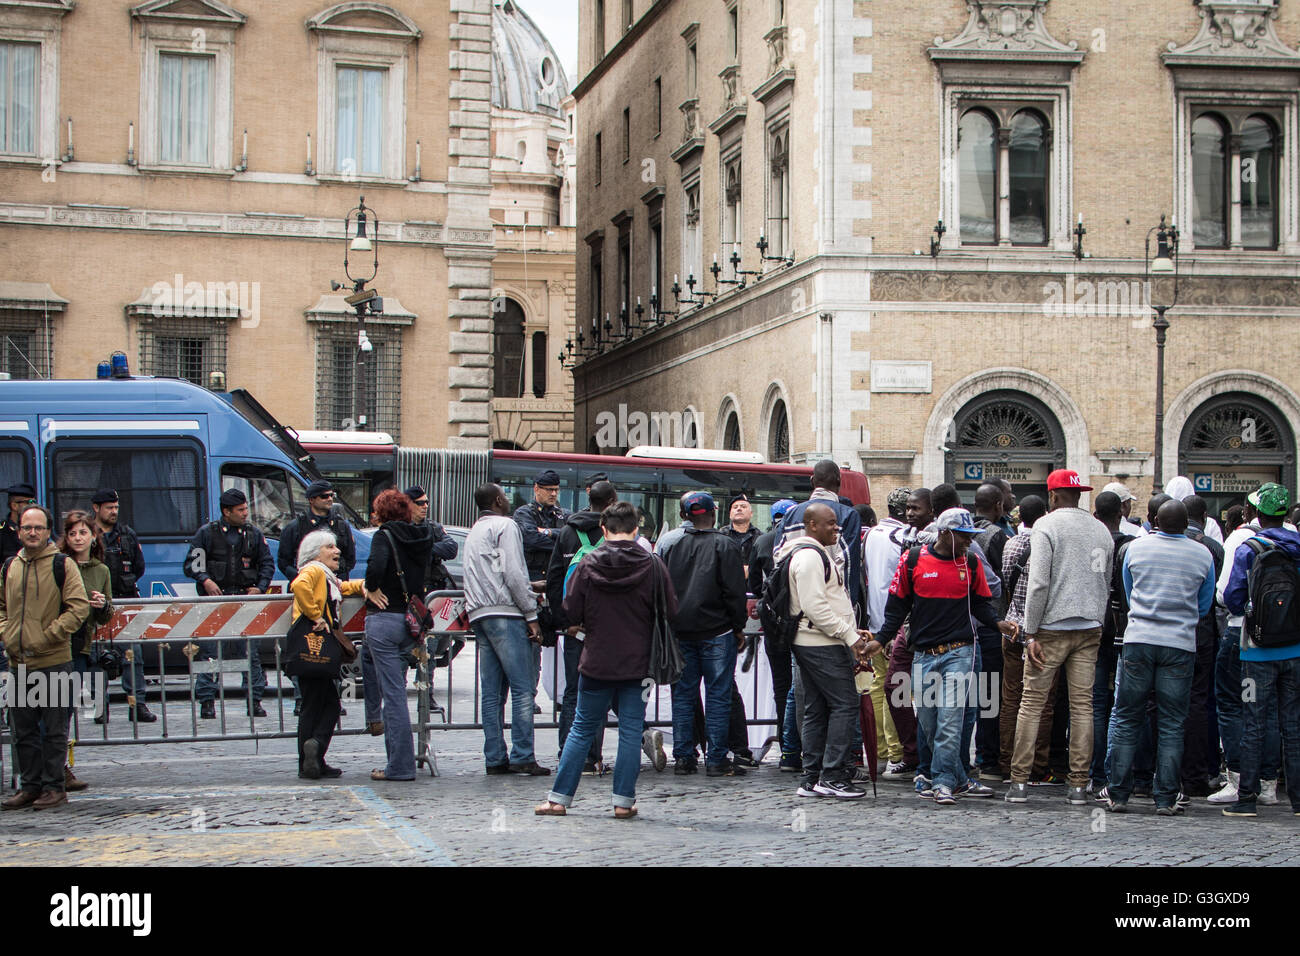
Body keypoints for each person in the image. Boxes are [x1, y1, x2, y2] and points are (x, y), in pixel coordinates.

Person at [535, 502, 678, 818]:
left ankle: (558, 799)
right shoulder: (653, 565)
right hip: (640, 663)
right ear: (636, 530)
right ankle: (623, 803)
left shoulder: (588, 564)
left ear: (603, 530)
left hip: (597, 659)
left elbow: (570, 609)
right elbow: (670, 609)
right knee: (630, 730)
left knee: (582, 727)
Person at [868, 508, 1016, 805]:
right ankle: (958, 777)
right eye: (963, 537)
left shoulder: (971, 563)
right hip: (924, 653)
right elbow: (897, 608)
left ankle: (942, 782)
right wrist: (881, 639)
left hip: (960, 651)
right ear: (945, 533)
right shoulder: (912, 561)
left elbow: (981, 605)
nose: (968, 542)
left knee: (950, 719)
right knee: (929, 721)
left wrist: (997, 623)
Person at [1005, 470, 1114, 805]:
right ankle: (1079, 786)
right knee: (1083, 707)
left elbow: (1038, 583)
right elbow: (1105, 582)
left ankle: (1019, 783)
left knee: (1031, 704)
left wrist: (1031, 631)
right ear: (1078, 494)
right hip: (1088, 626)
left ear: (1053, 496)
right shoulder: (1101, 529)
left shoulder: (1047, 527)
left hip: (1050, 627)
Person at [1105, 500, 1215, 814]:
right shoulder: (1202, 554)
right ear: (1189, 524)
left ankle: (1118, 794)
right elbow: (1204, 605)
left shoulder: (1134, 550)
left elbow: (1127, 593)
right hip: (1180, 644)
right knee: (1171, 723)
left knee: (1127, 717)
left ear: (1154, 520)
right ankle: (1166, 798)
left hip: (1139, 639)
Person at [781, 502, 873, 798]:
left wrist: (849, 628)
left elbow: (821, 605)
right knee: (845, 705)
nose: (837, 528)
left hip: (816, 641)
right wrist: (849, 634)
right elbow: (815, 607)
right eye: (830, 523)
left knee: (817, 708)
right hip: (821, 644)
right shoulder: (809, 557)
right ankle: (832, 776)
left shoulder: (811, 554)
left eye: (836, 523)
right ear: (812, 525)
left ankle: (813, 777)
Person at [0, 505, 89, 810]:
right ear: (20, 531)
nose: (33, 532)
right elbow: (1, 607)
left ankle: (54, 788)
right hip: (18, 662)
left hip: (54, 660)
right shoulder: (10, 566)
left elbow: (78, 608)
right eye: (27, 528)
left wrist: (47, 636)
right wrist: (7, 633)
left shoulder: (62, 565)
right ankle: (30, 787)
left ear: (47, 530)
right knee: (23, 732)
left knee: (53, 732)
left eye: (38, 527)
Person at [1221, 482, 1300, 818]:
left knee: (1253, 720)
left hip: (1255, 651)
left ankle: (1247, 800)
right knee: (1292, 723)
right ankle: (1297, 801)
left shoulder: (1248, 548)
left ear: (1255, 512)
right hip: (1295, 649)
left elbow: (1233, 598)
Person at [660, 492, 748, 776]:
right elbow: (734, 592)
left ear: (685, 516)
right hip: (717, 631)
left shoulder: (673, 546)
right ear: (714, 513)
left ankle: (685, 757)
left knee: (684, 695)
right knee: (718, 695)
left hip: (682, 631)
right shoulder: (725, 545)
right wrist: (738, 627)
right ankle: (716, 758)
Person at [465, 483, 547, 775]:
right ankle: (523, 754)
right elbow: (512, 571)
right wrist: (531, 614)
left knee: (492, 693)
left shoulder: (475, 530)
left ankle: (495, 756)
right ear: (499, 500)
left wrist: (526, 586)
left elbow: (495, 571)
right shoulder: (506, 526)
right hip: (506, 613)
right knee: (523, 688)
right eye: (506, 495)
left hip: (481, 613)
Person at [1211, 493, 1284, 805]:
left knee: (1232, 704)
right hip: (1286, 639)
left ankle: (1239, 779)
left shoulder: (1243, 540)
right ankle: (1270, 783)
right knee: (1271, 709)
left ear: (1252, 511)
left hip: (1245, 634)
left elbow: (1228, 595)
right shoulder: (1294, 539)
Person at [289, 528, 376, 780]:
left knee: (315, 704)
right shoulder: (314, 570)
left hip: (313, 648)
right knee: (323, 705)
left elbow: (343, 587)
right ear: (315, 552)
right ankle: (313, 749)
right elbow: (299, 586)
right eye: (330, 547)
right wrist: (316, 615)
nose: (337, 551)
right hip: (314, 646)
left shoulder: (325, 576)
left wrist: (365, 586)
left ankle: (311, 759)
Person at [546, 479, 619, 770]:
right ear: (612, 501)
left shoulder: (567, 531)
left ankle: (569, 754)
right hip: (605, 629)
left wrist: (565, 621)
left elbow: (554, 579)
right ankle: (592, 757)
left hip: (574, 629)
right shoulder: (613, 533)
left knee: (573, 692)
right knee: (599, 691)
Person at [183, 489, 275, 719]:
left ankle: (254, 700)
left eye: (246, 509)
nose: (245, 513)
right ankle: (207, 701)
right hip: (215, 604)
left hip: (245, 602)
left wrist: (261, 587)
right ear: (226, 512)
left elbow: (267, 564)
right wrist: (206, 580)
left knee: (250, 655)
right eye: (240, 510)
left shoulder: (253, 534)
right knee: (210, 655)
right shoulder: (207, 534)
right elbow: (192, 565)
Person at [362, 488, 433, 782]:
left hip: (386, 618)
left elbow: (376, 568)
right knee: (399, 692)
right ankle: (399, 761)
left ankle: (400, 765)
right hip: (412, 620)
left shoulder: (384, 536)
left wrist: (370, 587)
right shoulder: (423, 536)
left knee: (392, 696)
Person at [277, 480, 357, 716]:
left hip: (332, 596)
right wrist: (307, 577)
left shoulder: (341, 526)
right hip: (309, 598)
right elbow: (284, 562)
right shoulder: (296, 527)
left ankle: (333, 698)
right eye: (323, 496)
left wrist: (336, 580)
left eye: (331, 495)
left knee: (332, 646)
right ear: (311, 500)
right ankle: (303, 699)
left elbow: (349, 559)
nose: (329, 500)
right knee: (306, 646)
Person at [999, 495, 1058, 785]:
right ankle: (1037, 767)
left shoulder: (1010, 544)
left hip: (1011, 628)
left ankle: (1007, 760)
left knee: (1011, 699)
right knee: (1041, 702)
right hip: (1039, 632)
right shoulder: (1047, 545)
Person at [57, 510, 113, 791]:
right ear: (65, 538)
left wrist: (102, 604)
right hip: (55, 643)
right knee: (41, 706)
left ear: (93, 537)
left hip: (81, 646)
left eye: (83, 533)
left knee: (65, 708)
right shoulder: (58, 564)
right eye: (72, 533)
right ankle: (44, 770)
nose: (78, 538)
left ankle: (58, 767)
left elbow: (106, 616)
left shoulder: (100, 570)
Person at [863, 487, 914, 778]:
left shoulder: (871, 534)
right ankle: (896, 753)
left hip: (874, 621)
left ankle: (882, 752)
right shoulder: (903, 537)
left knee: (879, 687)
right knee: (897, 688)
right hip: (893, 625)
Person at [89, 488, 152, 722]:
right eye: (109, 508)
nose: (114, 511)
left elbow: (138, 567)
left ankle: (138, 705)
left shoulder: (127, 534)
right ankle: (98, 708)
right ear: (96, 508)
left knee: (132, 657)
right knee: (95, 658)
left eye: (116, 507)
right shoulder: (87, 534)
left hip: (124, 603)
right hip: (96, 607)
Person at [883, 488, 934, 780]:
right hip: (907, 627)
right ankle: (913, 752)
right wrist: (889, 633)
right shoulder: (905, 539)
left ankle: (928, 758)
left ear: (932, 510)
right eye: (908, 508)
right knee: (894, 687)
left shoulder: (943, 541)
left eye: (916, 508)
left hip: (933, 630)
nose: (910, 513)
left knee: (932, 697)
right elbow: (900, 594)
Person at [1089, 491, 1135, 794]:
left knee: (1095, 703)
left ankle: (1096, 773)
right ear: (1122, 512)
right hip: (1124, 629)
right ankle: (1121, 774)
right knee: (1125, 704)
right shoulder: (1132, 546)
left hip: (1094, 626)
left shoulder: (1091, 544)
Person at [1180, 493, 1224, 797]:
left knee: (1163, 704)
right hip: (1202, 633)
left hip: (1169, 636)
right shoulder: (1213, 549)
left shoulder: (1145, 547)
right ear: (1205, 518)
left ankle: (1160, 775)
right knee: (1199, 702)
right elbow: (1215, 598)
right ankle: (1196, 774)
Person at [749, 498, 799, 768]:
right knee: (799, 686)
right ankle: (797, 744)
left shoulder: (763, 541)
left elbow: (753, 586)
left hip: (772, 623)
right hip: (799, 623)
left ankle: (786, 743)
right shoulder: (802, 543)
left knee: (782, 686)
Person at [775, 460, 863, 610]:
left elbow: (778, 558)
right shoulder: (848, 515)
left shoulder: (790, 515)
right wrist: (848, 608)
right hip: (830, 604)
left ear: (812, 481)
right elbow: (847, 565)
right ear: (839, 481)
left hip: (793, 604)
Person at [971, 483, 1010, 778]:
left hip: (967, 625)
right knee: (989, 694)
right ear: (998, 504)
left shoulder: (965, 533)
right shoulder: (996, 536)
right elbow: (1001, 582)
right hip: (990, 623)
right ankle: (987, 758)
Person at [514, 470, 569, 582]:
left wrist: (548, 532)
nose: (553, 494)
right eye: (549, 490)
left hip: (557, 578)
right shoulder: (524, 513)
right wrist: (561, 542)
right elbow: (532, 540)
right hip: (532, 578)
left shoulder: (564, 514)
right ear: (536, 489)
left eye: (556, 489)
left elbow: (573, 538)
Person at [405, 486, 459, 591]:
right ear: (408, 504)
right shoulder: (400, 528)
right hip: (407, 588)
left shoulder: (433, 527)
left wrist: (425, 547)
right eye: (420, 503)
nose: (425, 506)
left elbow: (452, 548)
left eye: (427, 502)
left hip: (430, 590)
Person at [0, 483, 38, 566]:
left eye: (34, 502)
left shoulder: (38, 529)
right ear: (14, 506)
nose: (33, 506)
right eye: (29, 502)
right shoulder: (3, 531)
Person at [722, 494, 760, 566]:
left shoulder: (760, 537)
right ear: (730, 514)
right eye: (735, 507)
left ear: (751, 513)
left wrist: (750, 569)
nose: (739, 509)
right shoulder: (720, 535)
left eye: (743, 507)